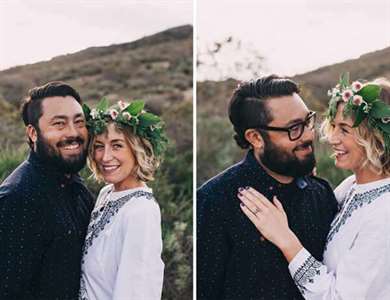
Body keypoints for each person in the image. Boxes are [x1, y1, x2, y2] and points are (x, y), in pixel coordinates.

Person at [238, 74, 390, 299]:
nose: (332, 138)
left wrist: (284, 239)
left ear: (376, 137)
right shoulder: (351, 186)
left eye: (345, 130)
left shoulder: (385, 214)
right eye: (333, 126)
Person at [197, 75, 338, 300]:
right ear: (255, 138)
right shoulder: (214, 201)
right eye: (294, 128)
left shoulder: (321, 193)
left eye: (307, 121)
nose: (308, 135)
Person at [0, 82, 95, 299]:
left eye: (79, 122)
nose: (73, 133)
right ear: (33, 133)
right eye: (59, 124)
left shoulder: (75, 185)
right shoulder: (17, 199)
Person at [79, 99, 167, 300]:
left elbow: (137, 292)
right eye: (99, 146)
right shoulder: (106, 193)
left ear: (138, 150)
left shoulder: (141, 212)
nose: (105, 156)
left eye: (117, 145)